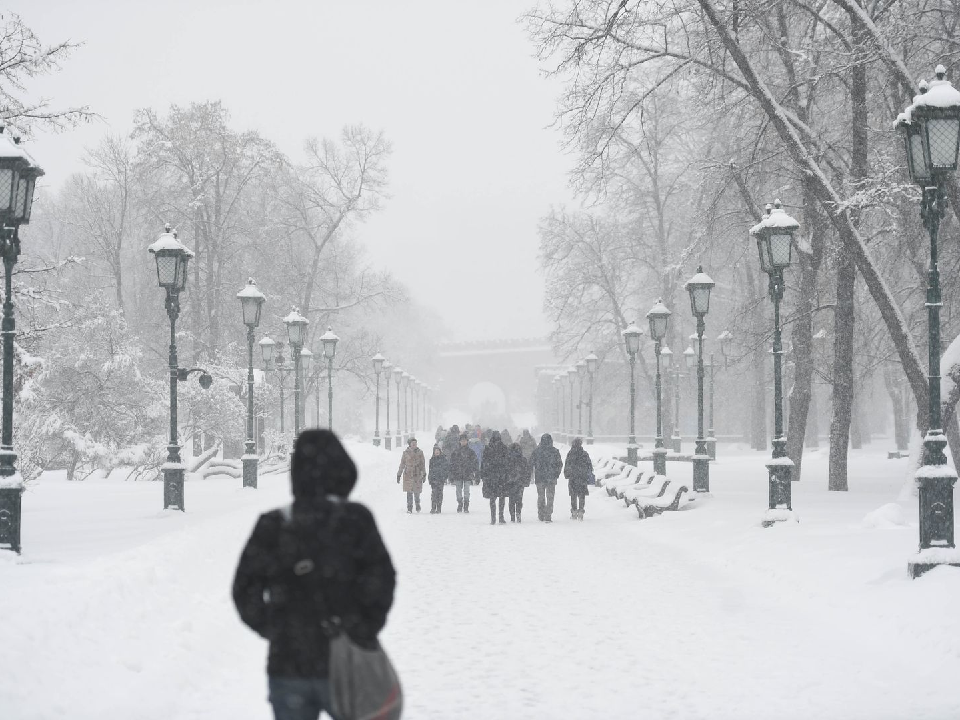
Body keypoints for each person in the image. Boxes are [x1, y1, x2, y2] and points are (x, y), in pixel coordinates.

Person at [232, 429, 396, 720]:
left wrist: (276, 629)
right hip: (349, 658)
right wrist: (363, 626)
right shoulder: (356, 519)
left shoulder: (273, 524)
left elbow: (245, 589)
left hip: (289, 664)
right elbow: (381, 577)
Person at [530, 433, 563, 522]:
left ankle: (541, 513)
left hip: (540, 477)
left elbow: (531, 463)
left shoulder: (537, 451)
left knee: (541, 496)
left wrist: (532, 474)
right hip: (551, 478)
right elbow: (559, 464)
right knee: (550, 497)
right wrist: (556, 474)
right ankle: (548, 514)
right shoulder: (555, 451)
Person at [480, 430, 510, 525]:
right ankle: (501, 517)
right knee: (501, 497)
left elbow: (483, 463)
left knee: (493, 498)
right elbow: (507, 462)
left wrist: (483, 474)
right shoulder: (504, 448)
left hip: (491, 477)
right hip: (501, 476)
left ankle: (493, 518)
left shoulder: (488, 448)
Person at [564, 437, 593, 520]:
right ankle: (581, 511)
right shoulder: (584, 454)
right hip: (582, 477)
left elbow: (567, 464)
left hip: (573, 477)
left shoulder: (570, 453)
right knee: (582, 495)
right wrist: (587, 473)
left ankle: (574, 511)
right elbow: (589, 465)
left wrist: (567, 474)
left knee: (573, 495)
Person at [449, 432, 478, 513]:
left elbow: (475, 463)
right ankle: (460, 503)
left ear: (467, 441)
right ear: (459, 441)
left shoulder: (471, 452)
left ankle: (466, 505)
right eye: (462, 440)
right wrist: (451, 474)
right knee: (458, 491)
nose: (463, 442)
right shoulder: (455, 452)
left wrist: (475, 473)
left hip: (467, 474)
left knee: (466, 491)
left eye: (465, 440)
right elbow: (452, 464)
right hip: (458, 474)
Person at [397, 437, 426, 513]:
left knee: (417, 491)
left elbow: (423, 464)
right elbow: (402, 464)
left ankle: (417, 503)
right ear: (409, 444)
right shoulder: (405, 453)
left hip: (417, 473)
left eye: (415, 443)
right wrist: (399, 474)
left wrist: (424, 474)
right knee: (409, 492)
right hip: (408, 474)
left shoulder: (420, 452)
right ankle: (409, 508)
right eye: (413, 444)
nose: (414, 445)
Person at [506, 442, 531, 522]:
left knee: (511, 499)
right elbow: (527, 471)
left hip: (510, 482)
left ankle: (512, 515)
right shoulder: (523, 459)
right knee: (519, 499)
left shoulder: (508, 459)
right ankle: (518, 512)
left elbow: (505, 471)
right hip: (520, 482)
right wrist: (526, 480)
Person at [427, 444, 449, 514]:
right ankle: (433, 508)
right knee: (434, 494)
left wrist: (445, 477)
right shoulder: (432, 460)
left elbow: (446, 469)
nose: (436, 452)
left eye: (438, 450)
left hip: (441, 479)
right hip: (433, 479)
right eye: (435, 451)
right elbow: (430, 470)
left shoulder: (444, 459)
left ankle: (439, 508)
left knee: (440, 494)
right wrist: (430, 478)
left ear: (440, 451)